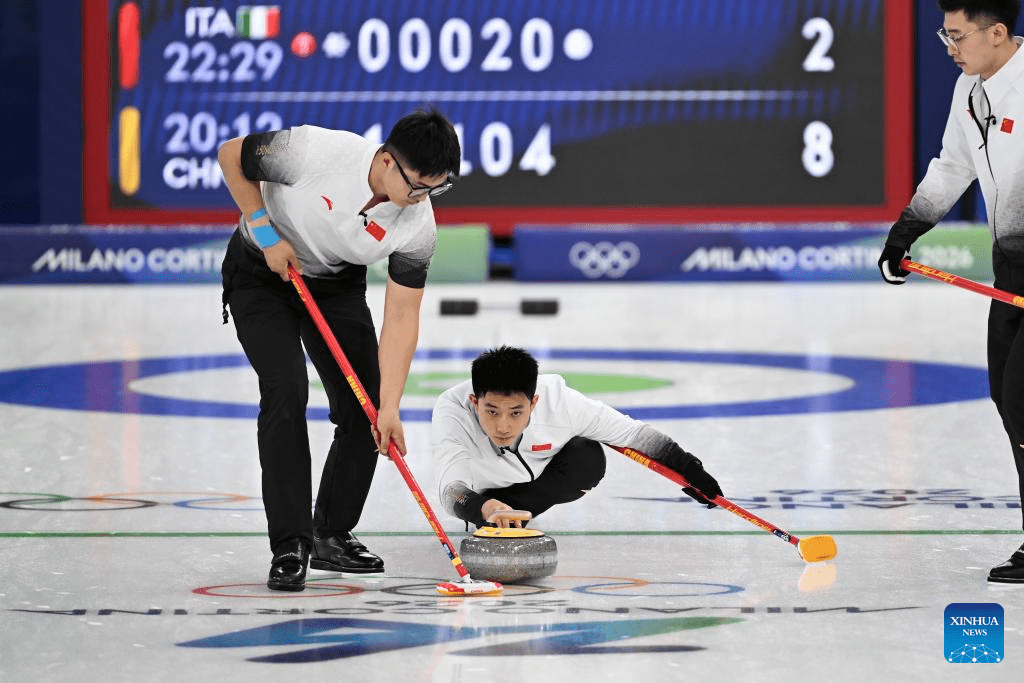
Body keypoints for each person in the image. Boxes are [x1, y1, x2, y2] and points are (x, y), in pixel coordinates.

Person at [218, 109, 461, 591]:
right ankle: (290, 542)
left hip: (333, 285)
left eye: (436, 189)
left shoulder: (418, 226)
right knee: (286, 389)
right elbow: (231, 156)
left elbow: (401, 316)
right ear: (388, 161)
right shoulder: (313, 152)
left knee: (364, 407)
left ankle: (330, 532)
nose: (421, 200)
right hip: (262, 273)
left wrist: (390, 405)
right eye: (417, 186)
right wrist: (266, 234)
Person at [878, 0, 1024, 583]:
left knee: (1022, 402)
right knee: (1008, 402)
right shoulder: (971, 90)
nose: (949, 47)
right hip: (1010, 270)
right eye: (944, 34)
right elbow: (951, 166)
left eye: (958, 35)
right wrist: (906, 228)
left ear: (997, 32)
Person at [431, 346, 723, 529]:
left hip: (540, 485)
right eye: (492, 412)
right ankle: (498, 515)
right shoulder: (452, 412)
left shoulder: (560, 402)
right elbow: (450, 489)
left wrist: (689, 469)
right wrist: (482, 507)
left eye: (516, 413)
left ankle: (515, 514)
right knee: (481, 505)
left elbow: (633, 434)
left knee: (588, 456)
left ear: (534, 403)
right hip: (485, 497)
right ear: (474, 401)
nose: (503, 426)